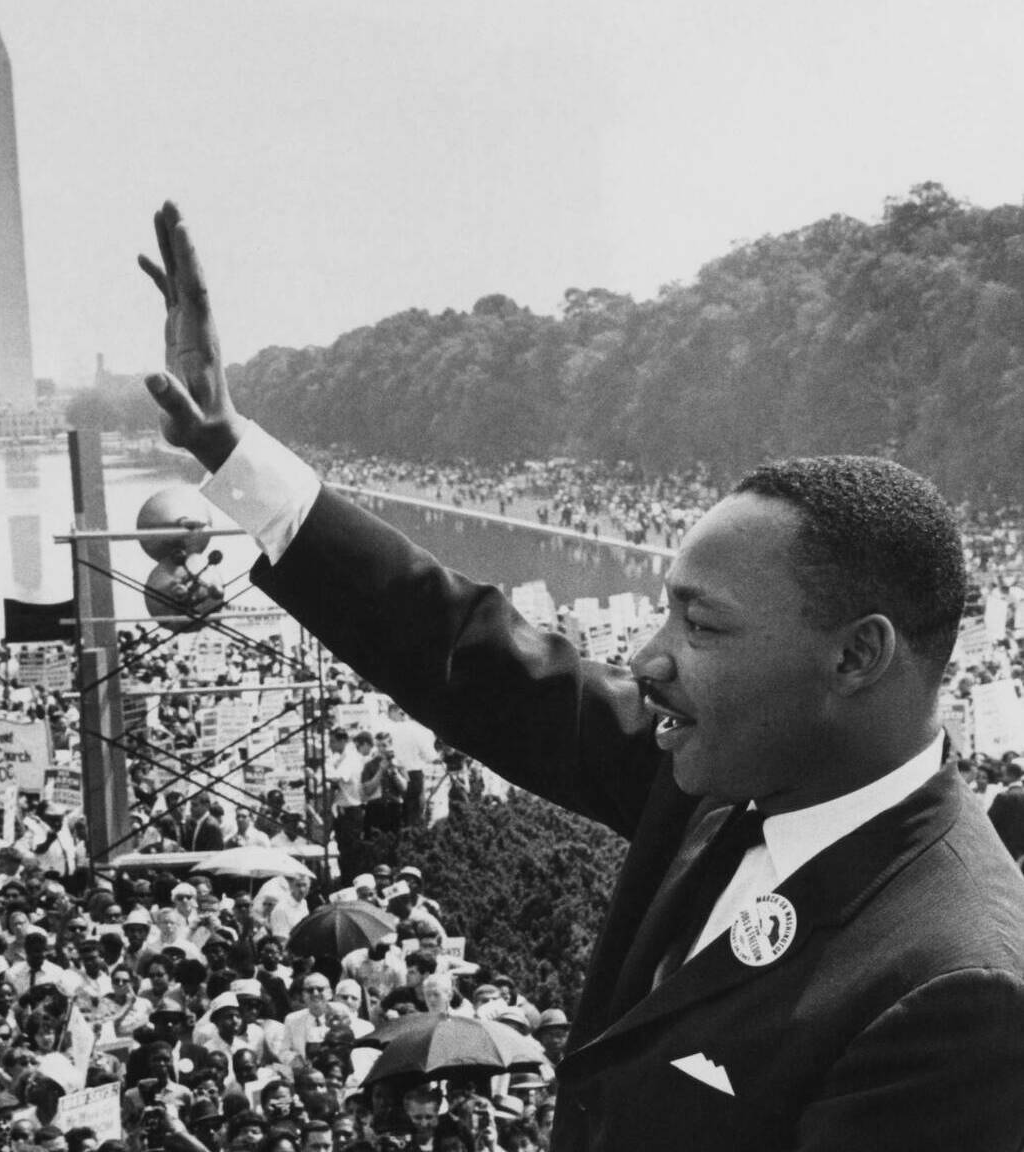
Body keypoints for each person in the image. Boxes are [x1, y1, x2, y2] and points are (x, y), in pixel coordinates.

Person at [136, 200, 1024, 1149]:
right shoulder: (725, 779)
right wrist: (231, 449)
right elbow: (468, 651)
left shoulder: (958, 987)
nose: (647, 657)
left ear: (855, 656)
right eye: (663, 607)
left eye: (701, 624)